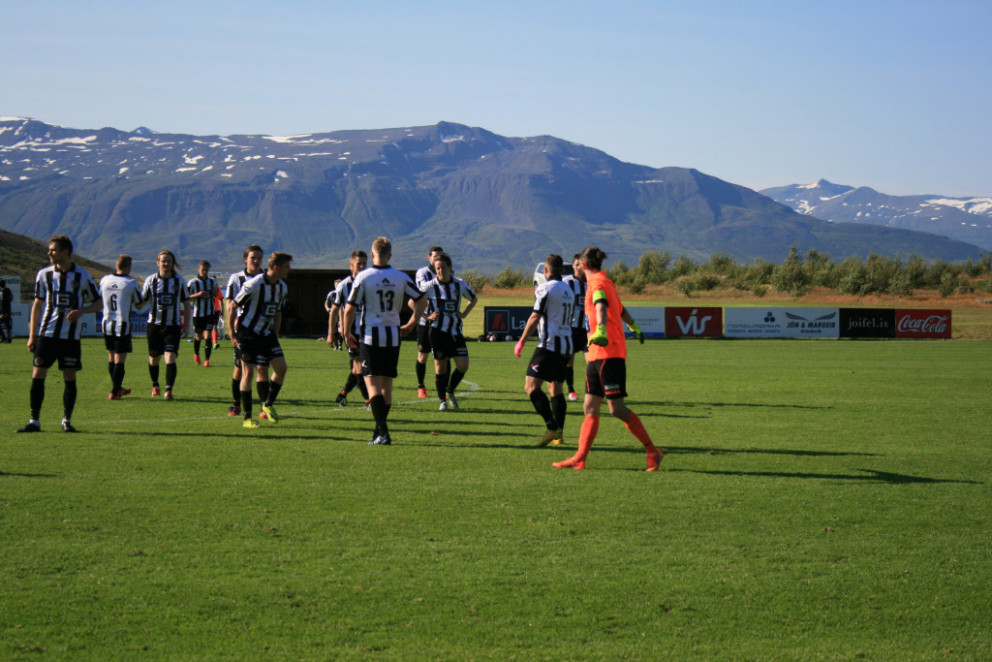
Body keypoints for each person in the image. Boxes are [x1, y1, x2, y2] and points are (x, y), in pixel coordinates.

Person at [552, 246, 659, 471]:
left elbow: (601, 305)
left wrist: (600, 329)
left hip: (608, 354)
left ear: (583, 265)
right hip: (596, 354)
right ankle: (579, 458)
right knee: (590, 407)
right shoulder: (604, 282)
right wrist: (634, 327)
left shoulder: (598, 284)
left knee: (616, 409)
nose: (575, 268)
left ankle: (652, 451)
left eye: (577, 265)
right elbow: (620, 310)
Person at [343, 236, 427, 445]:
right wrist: (412, 323)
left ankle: (383, 432)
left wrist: (345, 332)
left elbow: (350, 308)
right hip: (393, 336)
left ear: (372, 254)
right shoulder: (400, 277)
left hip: (370, 336)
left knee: (372, 384)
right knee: (386, 386)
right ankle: (378, 432)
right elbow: (422, 300)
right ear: (390, 255)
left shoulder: (364, 277)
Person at [17, 235, 101, 433]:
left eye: (53, 250)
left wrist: (82, 311)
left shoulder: (83, 276)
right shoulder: (44, 274)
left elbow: (98, 303)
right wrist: (32, 335)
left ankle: (66, 420)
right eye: (50, 249)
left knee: (69, 376)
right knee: (38, 374)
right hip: (46, 335)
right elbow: (37, 305)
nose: (49, 253)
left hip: (70, 339)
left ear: (66, 252)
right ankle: (34, 421)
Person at [514, 254, 574, 445]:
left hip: (549, 345)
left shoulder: (545, 288)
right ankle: (559, 434)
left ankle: (551, 427)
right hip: (566, 345)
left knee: (531, 387)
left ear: (546, 270)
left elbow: (535, 316)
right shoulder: (569, 290)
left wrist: (521, 341)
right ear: (562, 270)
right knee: (556, 388)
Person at [232, 252, 292, 428]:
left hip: (267, 335)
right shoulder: (254, 284)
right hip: (248, 334)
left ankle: (267, 404)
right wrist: (233, 334)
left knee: (281, 368)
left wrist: (274, 334)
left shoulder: (282, 287)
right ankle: (247, 418)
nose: (290, 270)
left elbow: (278, 312)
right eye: (287, 266)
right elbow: (232, 305)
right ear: (276, 267)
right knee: (248, 373)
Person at [423, 252, 477, 411]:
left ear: (449, 267)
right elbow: (413, 302)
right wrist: (426, 316)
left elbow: (473, 298)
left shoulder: (460, 284)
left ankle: (450, 390)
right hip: (437, 332)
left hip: (455, 332)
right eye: (437, 268)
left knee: (463, 366)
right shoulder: (429, 286)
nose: (440, 271)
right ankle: (442, 400)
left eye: (443, 268)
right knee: (440, 368)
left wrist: (464, 313)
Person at [142, 250, 190, 401]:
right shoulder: (151, 280)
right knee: (154, 358)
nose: (166, 263)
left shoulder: (179, 281)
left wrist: (187, 325)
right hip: (154, 326)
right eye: (163, 261)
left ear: (172, 263)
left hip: (172, 327)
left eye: (169, 261)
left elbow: (187, 304)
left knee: (170, 357)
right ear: (158, 263)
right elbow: (141, 302)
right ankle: (155, 384)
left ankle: (169, 390)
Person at [100, 254, 147, 400]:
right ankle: (114, 392)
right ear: (129, 266)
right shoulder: (130, 283)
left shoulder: (105, 280)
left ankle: (118, 388)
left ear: (117, 265)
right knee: (119, 360)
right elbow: (139, 305)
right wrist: (148, 297)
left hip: (106, 323)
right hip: (122, 325)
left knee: (111, 357)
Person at [224, 245, 263, 416]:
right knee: (240, 368)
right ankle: (236, 404)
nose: (256, 261)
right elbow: (229, 304)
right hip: (243, 330)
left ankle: (264, 407)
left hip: (261, 330)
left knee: (262, 368)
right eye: (253, 257)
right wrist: (231, 328)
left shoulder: (266, 278)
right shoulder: (236, 278)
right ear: (245, 259)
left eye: (259, 258)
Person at [328, 251, 369, 406]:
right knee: (359, 367)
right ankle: (369, 400)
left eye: (364, 264)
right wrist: (331, 334)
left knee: (360, 368)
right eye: (359, 264)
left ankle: (343, 394)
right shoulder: (344, 286)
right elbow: (334, 311)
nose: (362, 266)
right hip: (351, 333)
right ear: (351, 266)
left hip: (369, 332)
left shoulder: (370, 283)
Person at [413, 245, 444, 398]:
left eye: (441, 256)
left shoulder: (447, 272)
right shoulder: (423, 273)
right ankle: (421, 386)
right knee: (423, 356)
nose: (438, 259)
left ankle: (442, 390)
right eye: (435, 256)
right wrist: (426, 316)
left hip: (441, 323)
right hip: (425, 322)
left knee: (442, 357)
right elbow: (421, 291)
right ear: (429, 258)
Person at [563, 253, 588, 401]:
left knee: (592, 362)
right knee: (569, 361)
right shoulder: (566, 283)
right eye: (577, 264)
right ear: (573, 266)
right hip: (570, 329)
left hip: (588, 330)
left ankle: (590, 392)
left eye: (582, 264)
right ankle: (571, 390)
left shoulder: (591, 283)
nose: (579, 267)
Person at [186, 260, 219, 367]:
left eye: (206, 270)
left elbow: (215, 295)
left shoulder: (212, 281)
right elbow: (186, 297)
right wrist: (197, 295)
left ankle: (207, 360)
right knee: (198, 336)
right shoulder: (192, 282)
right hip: (197, 314)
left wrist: (214, 292)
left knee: (208, 336)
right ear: (199, 269)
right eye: (203, 270)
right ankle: (196, 354)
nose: (204, 272)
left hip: (209, 313)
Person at [0, 278, 13, 343]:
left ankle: (3, 337)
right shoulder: (8, 290)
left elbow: (2, 302)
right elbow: (11, 299)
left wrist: (2, 313)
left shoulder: (2, 291)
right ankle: (9, 339)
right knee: (8, 326)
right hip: (8, 311)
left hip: (3, 312)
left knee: (6, 325)